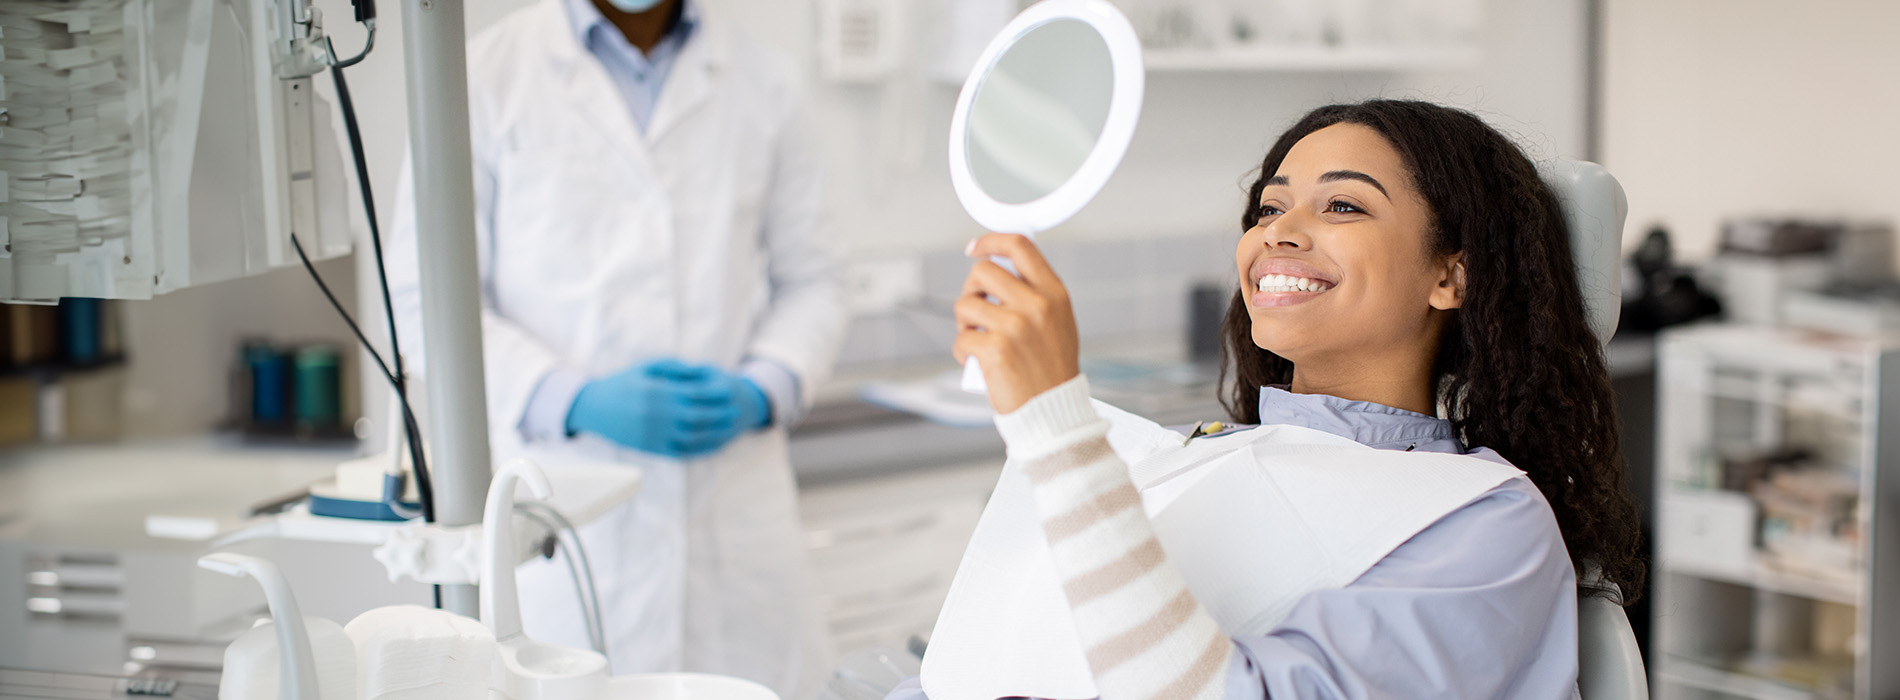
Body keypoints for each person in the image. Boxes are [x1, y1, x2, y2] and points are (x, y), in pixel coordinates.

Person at [888, 100, 1644, 699]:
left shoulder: (1486, 523)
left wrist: (1056, 428)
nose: (1279, 233)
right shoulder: (1201, 456)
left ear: (1452, 276)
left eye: (1343, 206)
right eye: (1268, 209)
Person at [386, 0, 845, 697]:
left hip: (736, 522)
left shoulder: (768, 82)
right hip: (561, 520)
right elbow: (427, 301)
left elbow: (817, 280)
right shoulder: (482, 77)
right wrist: (571, 400)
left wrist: (763, 387)